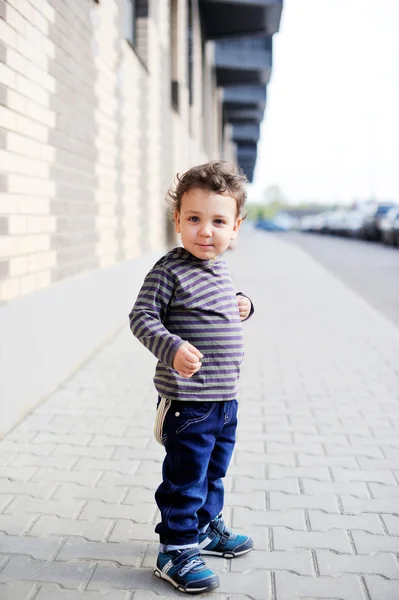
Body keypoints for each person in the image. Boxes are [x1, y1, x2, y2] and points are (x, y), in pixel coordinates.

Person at [129, 160, 254, 593]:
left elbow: (219, 308)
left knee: (213, 472)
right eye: (195, 219)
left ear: (234, 227)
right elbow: (141, 317)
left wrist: (244, 305)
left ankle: (205, 527)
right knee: (186, 477)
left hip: (225, 402)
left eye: (218, 221)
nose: (206, 231)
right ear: (177, 221)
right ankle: (176, 549)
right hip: (188, 404)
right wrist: (173, 347)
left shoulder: (219, 267)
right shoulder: (170, 269)